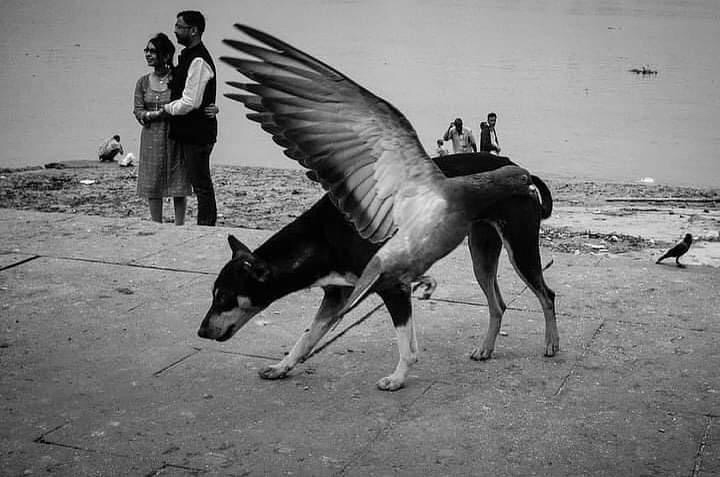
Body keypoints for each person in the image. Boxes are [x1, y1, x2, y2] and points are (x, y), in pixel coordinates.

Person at [146, 10, 218, 226]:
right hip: (190, 132)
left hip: (197, 133)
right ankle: (205, 224)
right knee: (199, 181)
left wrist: (165, 109)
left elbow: (190, 102)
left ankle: (206, 226)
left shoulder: (198, 60)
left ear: (193, 30)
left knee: (201, 183)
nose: (175, 30)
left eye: (179, 26)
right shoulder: (188, 56)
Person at [133, 33, 192, 225]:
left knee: (179, 179)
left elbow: (191, 100)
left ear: (166, 55)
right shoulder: (143, 82)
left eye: (153, 51)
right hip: (152, 136)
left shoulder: (177, 78)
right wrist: (155, 115)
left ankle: (179, 225)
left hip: (175, 135)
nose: (148, 54)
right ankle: (156, 224)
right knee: (153, 180)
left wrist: (212, 108)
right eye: (146, 50)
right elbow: (138, 111)